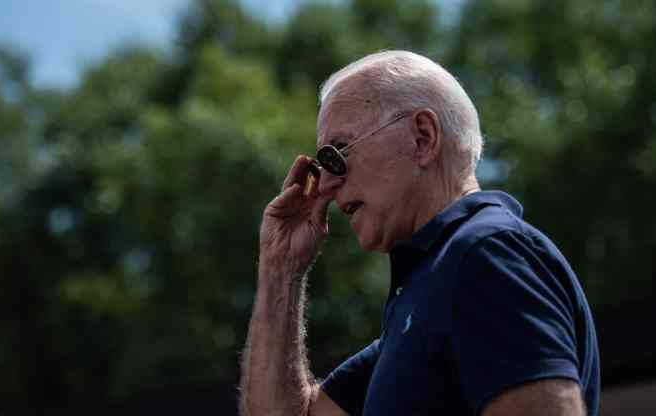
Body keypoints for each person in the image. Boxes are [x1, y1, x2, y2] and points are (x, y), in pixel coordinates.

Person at [238, 50, 600, 416]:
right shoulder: (434, 288)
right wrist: (280, 268)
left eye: (337, 153)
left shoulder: (485, 254)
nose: (326, 185)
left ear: (422, 138)